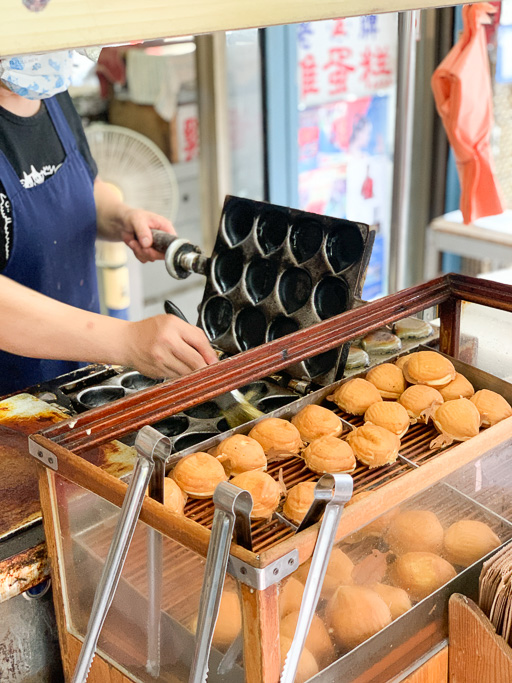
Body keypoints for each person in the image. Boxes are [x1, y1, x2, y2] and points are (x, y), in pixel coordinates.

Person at [0, 50, 217, 396]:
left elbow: (87, 186)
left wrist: (120, 216)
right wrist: (126, 340)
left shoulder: (48, 90)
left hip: (74, 381)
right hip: (10, 403)